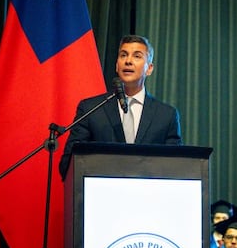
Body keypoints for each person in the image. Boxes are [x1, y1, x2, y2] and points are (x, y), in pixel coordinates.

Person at [59, 34, 182, 178]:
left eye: (137, 56)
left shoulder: (166, 116)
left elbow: (175, 167)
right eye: (123, 55)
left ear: (149, 68)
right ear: (117, 65)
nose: (128, 61)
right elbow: (67, 165)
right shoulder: (91, 109)